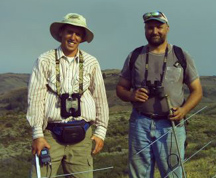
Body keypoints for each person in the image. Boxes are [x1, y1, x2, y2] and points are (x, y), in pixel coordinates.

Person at [116, 11, 202, 178]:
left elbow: (197, 91)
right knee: (139, 174)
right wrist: (132, 95)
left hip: (171, 125)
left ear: (167, 29)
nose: (154, 31)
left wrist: (184, 111)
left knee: (173, 174)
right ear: (145, 30)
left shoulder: (181, 55)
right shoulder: (135, 56)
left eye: (159, 27)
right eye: (150, 27)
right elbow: (121, 88)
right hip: (140, 123)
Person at [26, 13, 109, 178]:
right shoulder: (44, 60)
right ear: (61, 33)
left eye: (78, 34)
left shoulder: (92, 62)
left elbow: (100, 98)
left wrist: (100, 132)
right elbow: (35, 98)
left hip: (82, 136)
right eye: (69, 32)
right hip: (50, 136)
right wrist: (37, 135)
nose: (73, 37)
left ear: (82, 38)